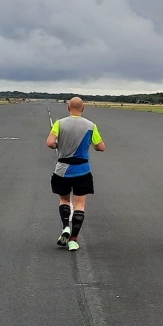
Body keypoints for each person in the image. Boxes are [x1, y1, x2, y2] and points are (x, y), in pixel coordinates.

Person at [46, 97, 105, 251]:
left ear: (68, 108)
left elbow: (50, 142)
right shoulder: (91, 125)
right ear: (83, 108)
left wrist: (60, 145)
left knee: (64, 200)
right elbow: (101, 147)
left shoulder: (59, 123)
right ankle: (73, 239)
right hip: (82, 170)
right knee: (79, 204)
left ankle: (66, 227)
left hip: (62, 169)